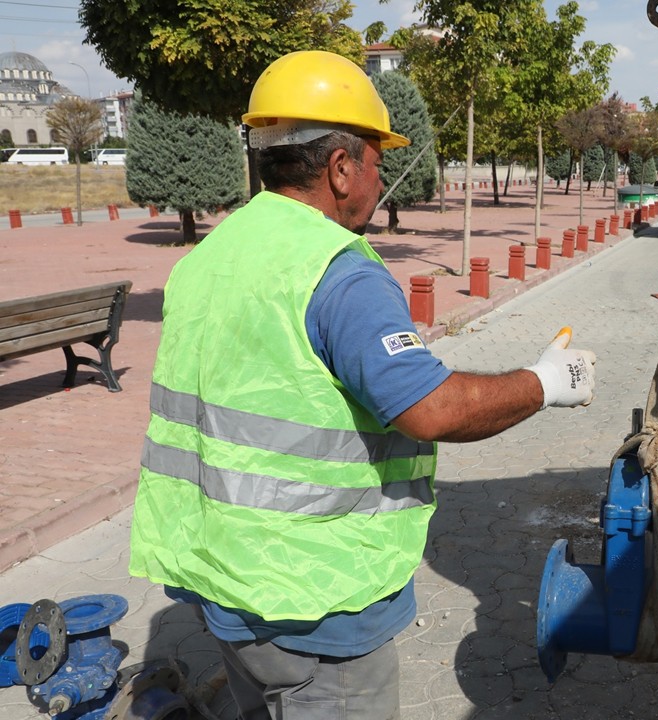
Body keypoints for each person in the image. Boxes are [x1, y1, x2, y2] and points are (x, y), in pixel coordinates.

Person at [128, 50, 597, 719]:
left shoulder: (211, 258)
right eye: (377, 163)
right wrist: (545, 382)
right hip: (316, 604)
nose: (383, 183)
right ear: (341, 168)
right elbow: (430, 410)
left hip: (226, 585)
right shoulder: (338, 270)